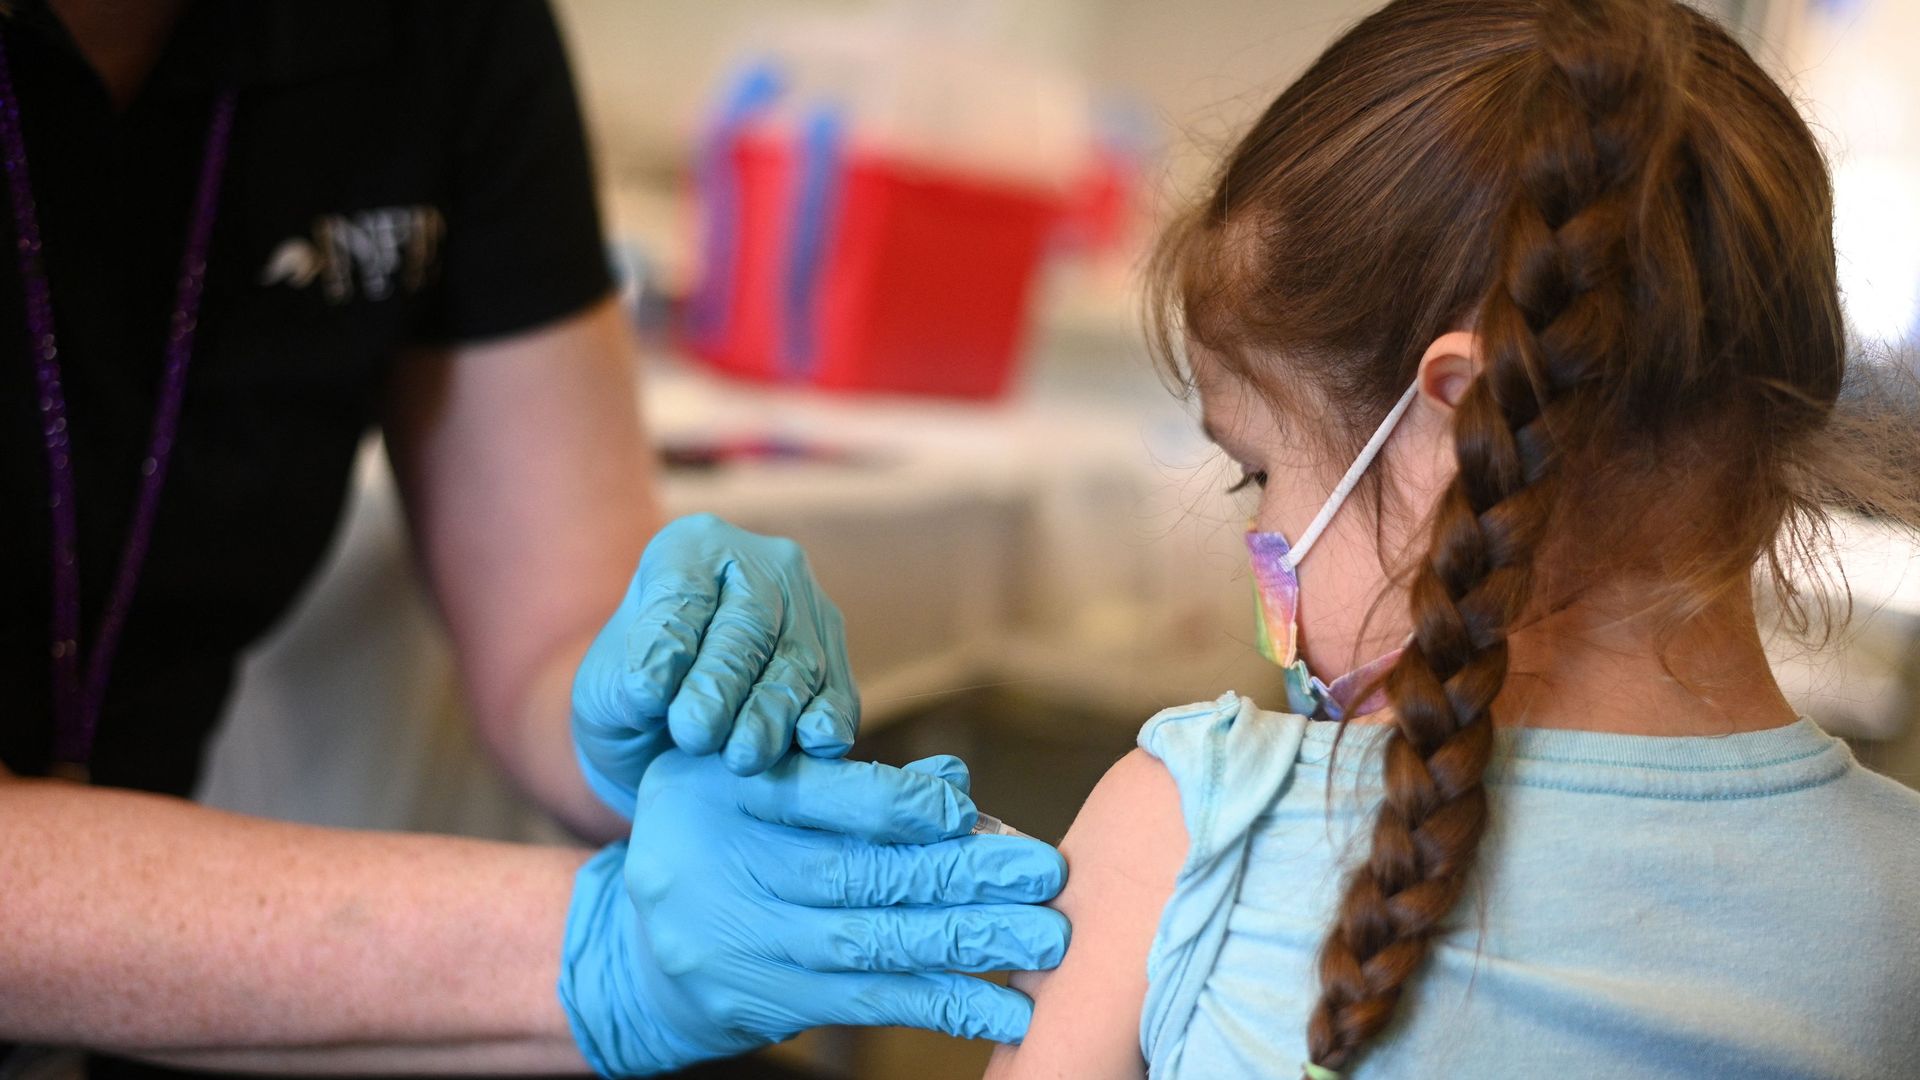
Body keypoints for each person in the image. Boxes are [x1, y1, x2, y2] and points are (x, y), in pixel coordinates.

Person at [0, 1, 1066, 1076]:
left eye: (1248, 471)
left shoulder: (440, 36)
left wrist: (669, 703)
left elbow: (559, 620)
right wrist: (589, 946)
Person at [980, 0, 1920, 1077]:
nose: (1259, 531)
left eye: (1259, 470)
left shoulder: (1195, 826)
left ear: (1462, 429)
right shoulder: (1904, 904)